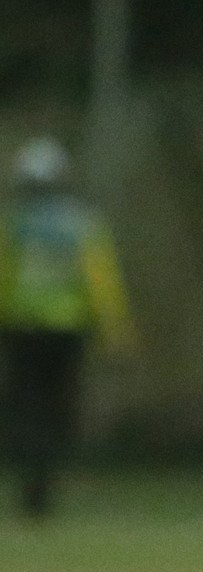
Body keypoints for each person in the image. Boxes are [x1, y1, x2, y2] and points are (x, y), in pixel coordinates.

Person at [0, 138, 133, 518]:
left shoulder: (15, 225)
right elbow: (101, 283)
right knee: (58, 407)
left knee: (25, 406)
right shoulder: (82, 225)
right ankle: (46, 482)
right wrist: (115, 331)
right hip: (68, 331)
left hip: (22, 329)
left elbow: (4, 278)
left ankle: (31, 480)